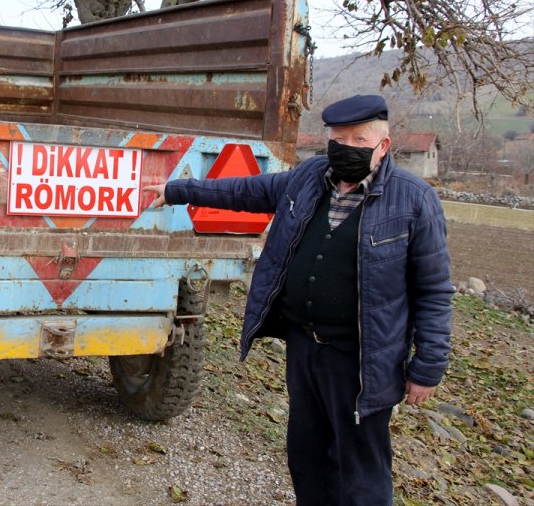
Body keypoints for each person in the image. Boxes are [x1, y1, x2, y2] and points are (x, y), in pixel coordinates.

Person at [144, 95, 452, 506]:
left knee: (360, 468)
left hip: (362, 360)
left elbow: (434, 290)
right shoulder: (309, 177)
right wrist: (176, 190)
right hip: (305, 349)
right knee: (306, 456)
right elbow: (244, 190)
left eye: (359, 139)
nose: (345, 147)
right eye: (338, 139)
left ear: (383, 146)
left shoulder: (413, 200)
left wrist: (427, 367)